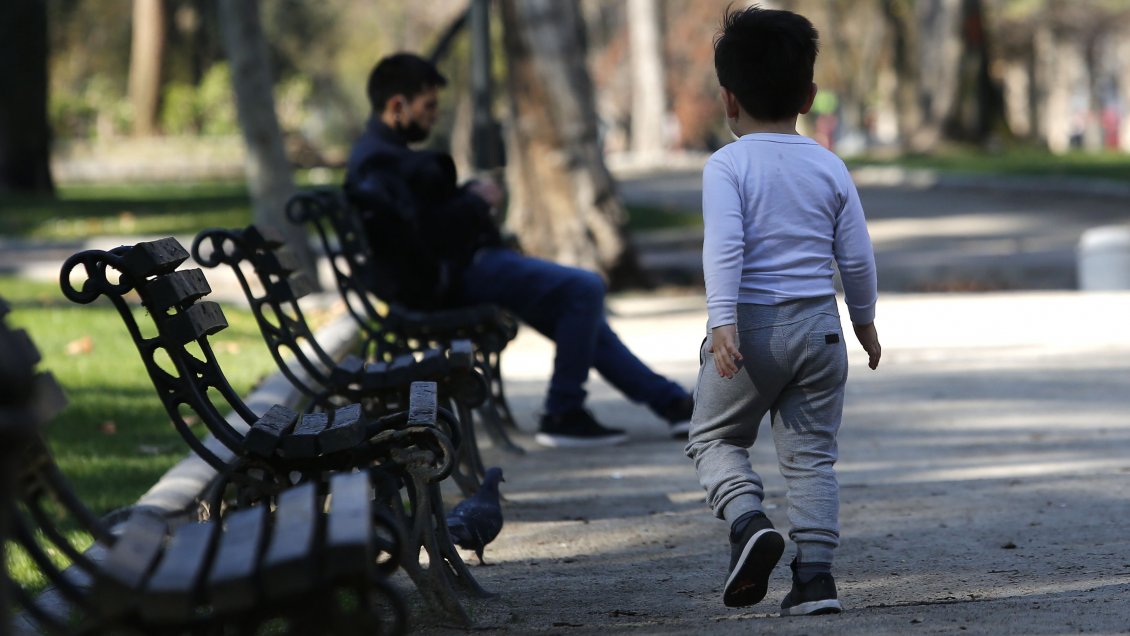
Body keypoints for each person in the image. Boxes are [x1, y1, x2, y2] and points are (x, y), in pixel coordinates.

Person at [344, 52, 694, 448]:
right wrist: (476, 202)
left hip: (460, 271)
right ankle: (564, 411)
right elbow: (420, 235)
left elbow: (420, 224)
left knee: (578, 306)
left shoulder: (378, 156)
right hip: (452, 280)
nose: (434, 115)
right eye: (428, 106)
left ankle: (672, 404)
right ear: (397, 105)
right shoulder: (377, 162)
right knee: (583, 288)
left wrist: (468, 200)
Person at [684, 7, 881, 617]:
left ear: (728, 99)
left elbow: (725, 246)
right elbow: (856, 254)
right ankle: (815, 580)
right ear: (810, 95)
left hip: (751, 329)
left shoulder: (728, 165)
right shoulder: (829, 164)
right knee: (814, 458)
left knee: (714, 437)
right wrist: (864, 321)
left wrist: (722, 321)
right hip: (821, 331)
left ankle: (748, 523)